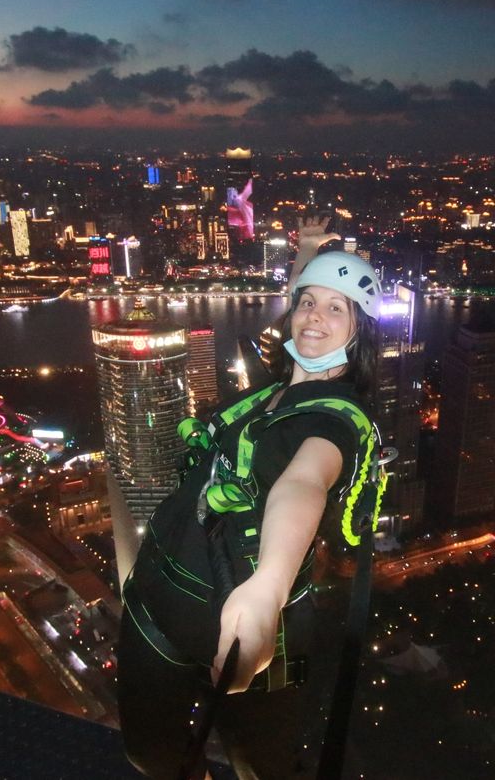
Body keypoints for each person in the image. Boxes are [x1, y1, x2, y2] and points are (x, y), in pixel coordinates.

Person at [117, 218, 383, 780]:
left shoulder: (335, 422)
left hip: (269, 628)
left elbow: (302, 485)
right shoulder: (282, 382)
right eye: (308, 303)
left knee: (263, 766)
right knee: (150, 753)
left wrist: (267, 589)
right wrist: (308, 253)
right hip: (160, 594)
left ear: (362, 331)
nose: (314, 316)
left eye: (337, 310)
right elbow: (301, 310)